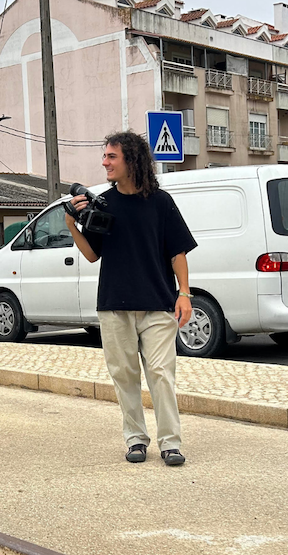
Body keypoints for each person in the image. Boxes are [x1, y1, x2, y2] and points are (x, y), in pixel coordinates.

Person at [65, 131, 197, 466]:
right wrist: (72, 224)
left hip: (158, 304)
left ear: (131, 161)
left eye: (111, 157)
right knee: (124, 375)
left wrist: (184, 293)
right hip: (114, 305)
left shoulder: (161, 202)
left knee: (161, 374)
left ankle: (171, 443)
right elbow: (94, 256)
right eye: (105, 156)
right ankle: (136, 439)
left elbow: (177, 252)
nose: (104, 162)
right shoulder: (105, 204)